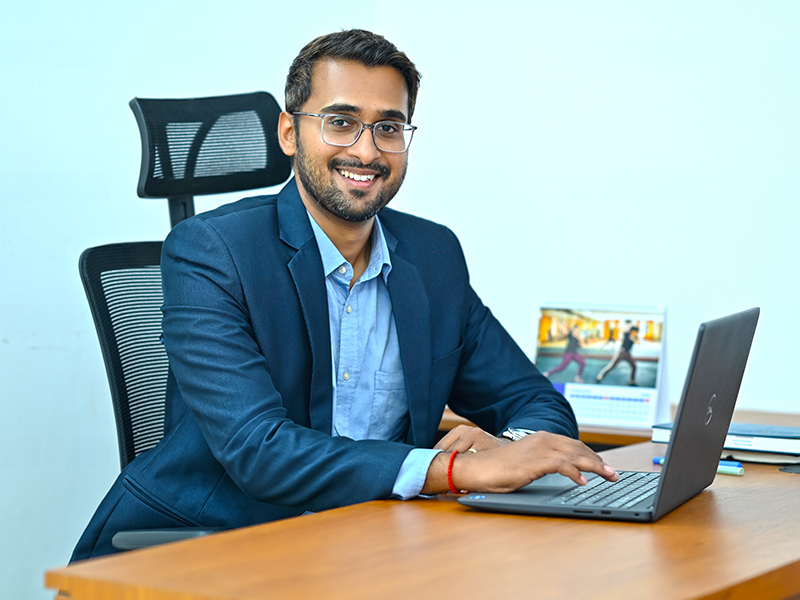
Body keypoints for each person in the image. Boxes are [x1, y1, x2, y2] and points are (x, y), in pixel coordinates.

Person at [71, 29, 617, 561]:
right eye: (341, 122)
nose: (367, 150)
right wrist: (451, 469)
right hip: (211, 546)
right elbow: (259, 449)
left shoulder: (432, 255)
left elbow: (535, 400)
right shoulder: (212, 251)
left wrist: (510, 447)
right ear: (290, 132)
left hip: (369, 541)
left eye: (388, 127)